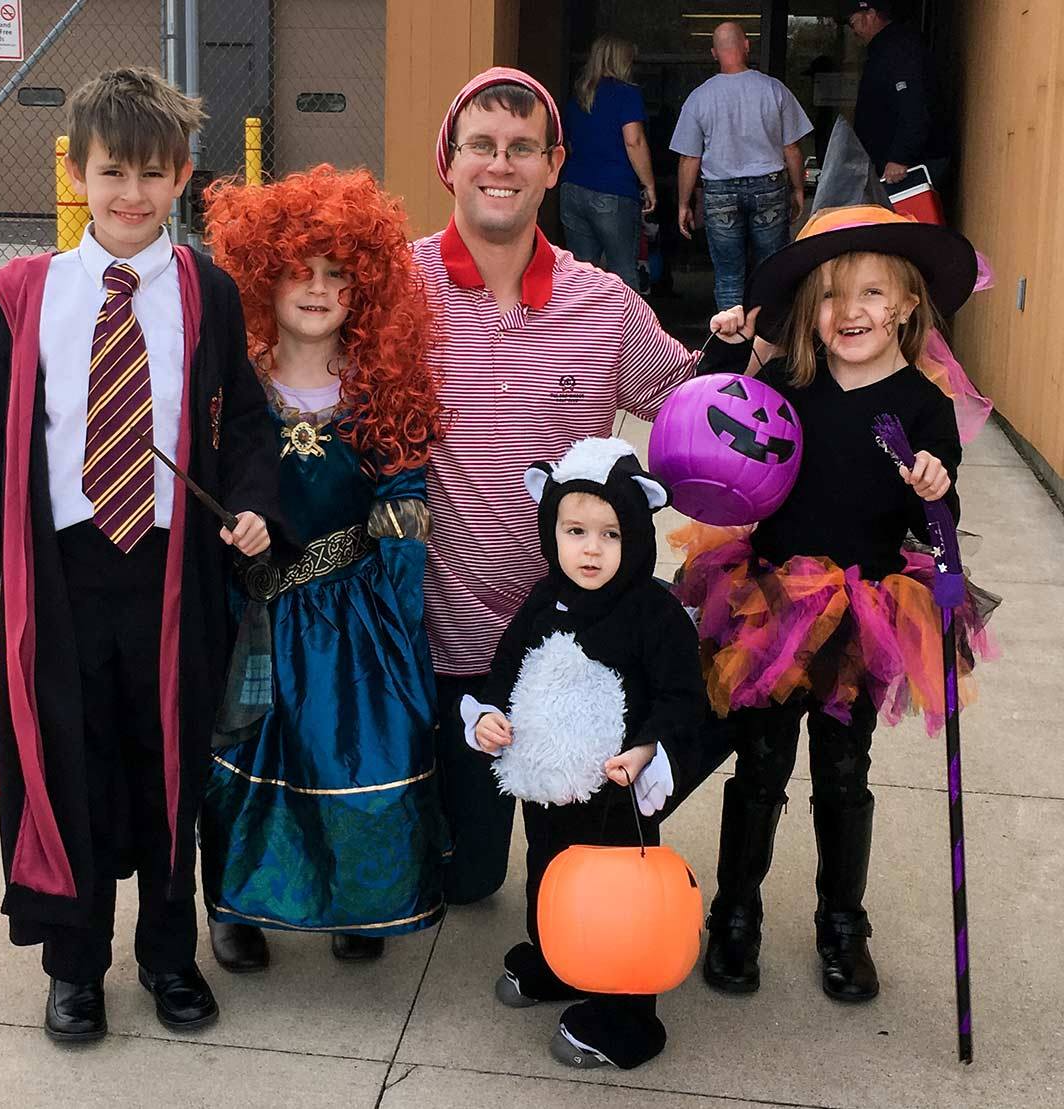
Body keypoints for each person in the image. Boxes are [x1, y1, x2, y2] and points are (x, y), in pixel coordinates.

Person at [0, 67, 284, 1043]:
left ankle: (168, 953)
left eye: (150, 173)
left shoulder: (204, 292)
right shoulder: (32, 295)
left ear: (181, 176)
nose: (130, 193)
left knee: (169, 768)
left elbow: (250, 428)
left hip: (174, 574)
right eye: (111, 172)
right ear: (77, 173)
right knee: (69, 767)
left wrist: (256, 505)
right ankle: (76, 966)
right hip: (61, 576)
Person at [670, 205, 997, 1003]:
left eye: (873, 293)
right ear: (809, 310)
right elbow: (715, 416)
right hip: (774, 604)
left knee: (844, 775)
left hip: (864, 614)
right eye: (832, 296)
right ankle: (735, 914)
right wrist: (723, 347)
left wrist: (933, 484)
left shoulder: (922, 408)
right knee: (760, 766)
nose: (851, 312)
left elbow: (936, 516)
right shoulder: (787, 383)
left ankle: (842, 925)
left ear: (908, 305)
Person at [415, 67, 704, 907]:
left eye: (521, 148)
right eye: (481, 146)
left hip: (573, 644)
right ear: (450, 161)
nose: (499, 165)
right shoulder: (396, 287)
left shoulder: (604, 304)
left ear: (554, 164)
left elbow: (687, 400)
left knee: (575, 854)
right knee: (465, 880)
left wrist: (758, 347)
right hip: (446, 637)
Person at [197, 166, 447, 969]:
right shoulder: (236, 389)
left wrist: (400, 606)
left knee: (364, 748)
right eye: (299, 272)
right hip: (257, 610)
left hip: (354, 614)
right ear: (261, 278)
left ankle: (359, 900)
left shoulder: (378, 389)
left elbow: (405, 491)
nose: (317, 289)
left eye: (338, 275)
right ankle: (237, 904)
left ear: (365, 289)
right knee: (247, 760)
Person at [460, 438, 711, 1070]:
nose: (591, 549)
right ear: (551, 530)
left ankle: (628, 1018)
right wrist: (488, 715)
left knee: (617, 896)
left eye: (611, 533)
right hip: (550, 782)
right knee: (548, 869)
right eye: (575, 531)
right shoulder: (542, 600)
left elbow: (683, 696)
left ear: (637, 535)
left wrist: (647, 748)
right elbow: (506, 670)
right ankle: (559, 957)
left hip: (616, 786)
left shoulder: (653, 613)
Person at [670, 22, 812, 310]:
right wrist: (798, 189)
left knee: (728, 277)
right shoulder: (774, 90)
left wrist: (684, 203)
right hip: (769, 186)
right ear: (746, 45)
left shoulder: (699, 97)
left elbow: (689, 159)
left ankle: (732, 347)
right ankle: (769, 344)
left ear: (713, 53)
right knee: (773, 271)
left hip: (720, 190)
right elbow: (792, 149)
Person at [560, 34, 656, 288]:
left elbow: (569, 145)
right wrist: (649, 184)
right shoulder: (626, 94)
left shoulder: (578, 97)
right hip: (613, 190)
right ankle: (628, 328)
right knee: (623, 273)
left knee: (580, 277)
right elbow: (633, 140)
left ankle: (582, 328)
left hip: (573, 188)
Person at [844, 1, 950, 187]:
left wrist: (900, 157)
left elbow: (914, 103)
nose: (853, 31)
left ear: (870, 15)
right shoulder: (882, 50)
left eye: (853, 23)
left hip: (906, 168)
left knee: (906, 216)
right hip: (891, 166)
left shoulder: (900, 49)